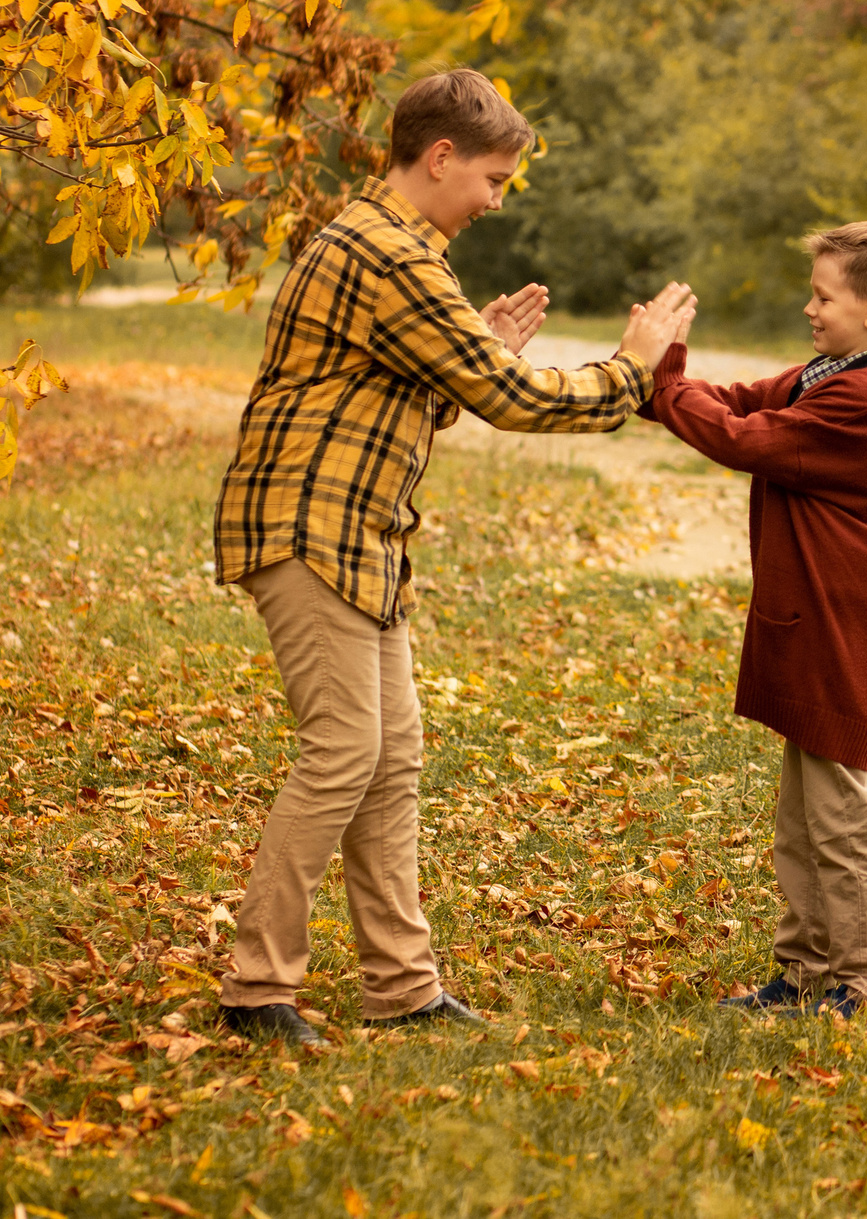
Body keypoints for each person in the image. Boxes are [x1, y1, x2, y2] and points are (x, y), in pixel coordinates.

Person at [212, 68, 696, 1049]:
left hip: (357, 534)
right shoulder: (389, 253)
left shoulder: (383, 248)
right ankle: (256, 986)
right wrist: (632, 364)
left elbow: (387, 393)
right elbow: (511, 401)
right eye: (492, 178)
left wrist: (475, 347)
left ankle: (403, 988)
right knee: (346, 753)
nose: (494, 199)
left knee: (389, 763)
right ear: (439, 159)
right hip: (313, 530)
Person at [640, 220, 867, 1018]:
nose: (810, 306)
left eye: (823, 295)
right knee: (803, 819)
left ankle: (866, 981)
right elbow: (736, 402)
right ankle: (803, 971)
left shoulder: (865, 396)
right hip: (811, 615)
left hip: (845, 620)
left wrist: (663, 374)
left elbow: (743, 437)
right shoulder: (829, 371)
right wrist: (661, 380)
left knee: (840, 816)